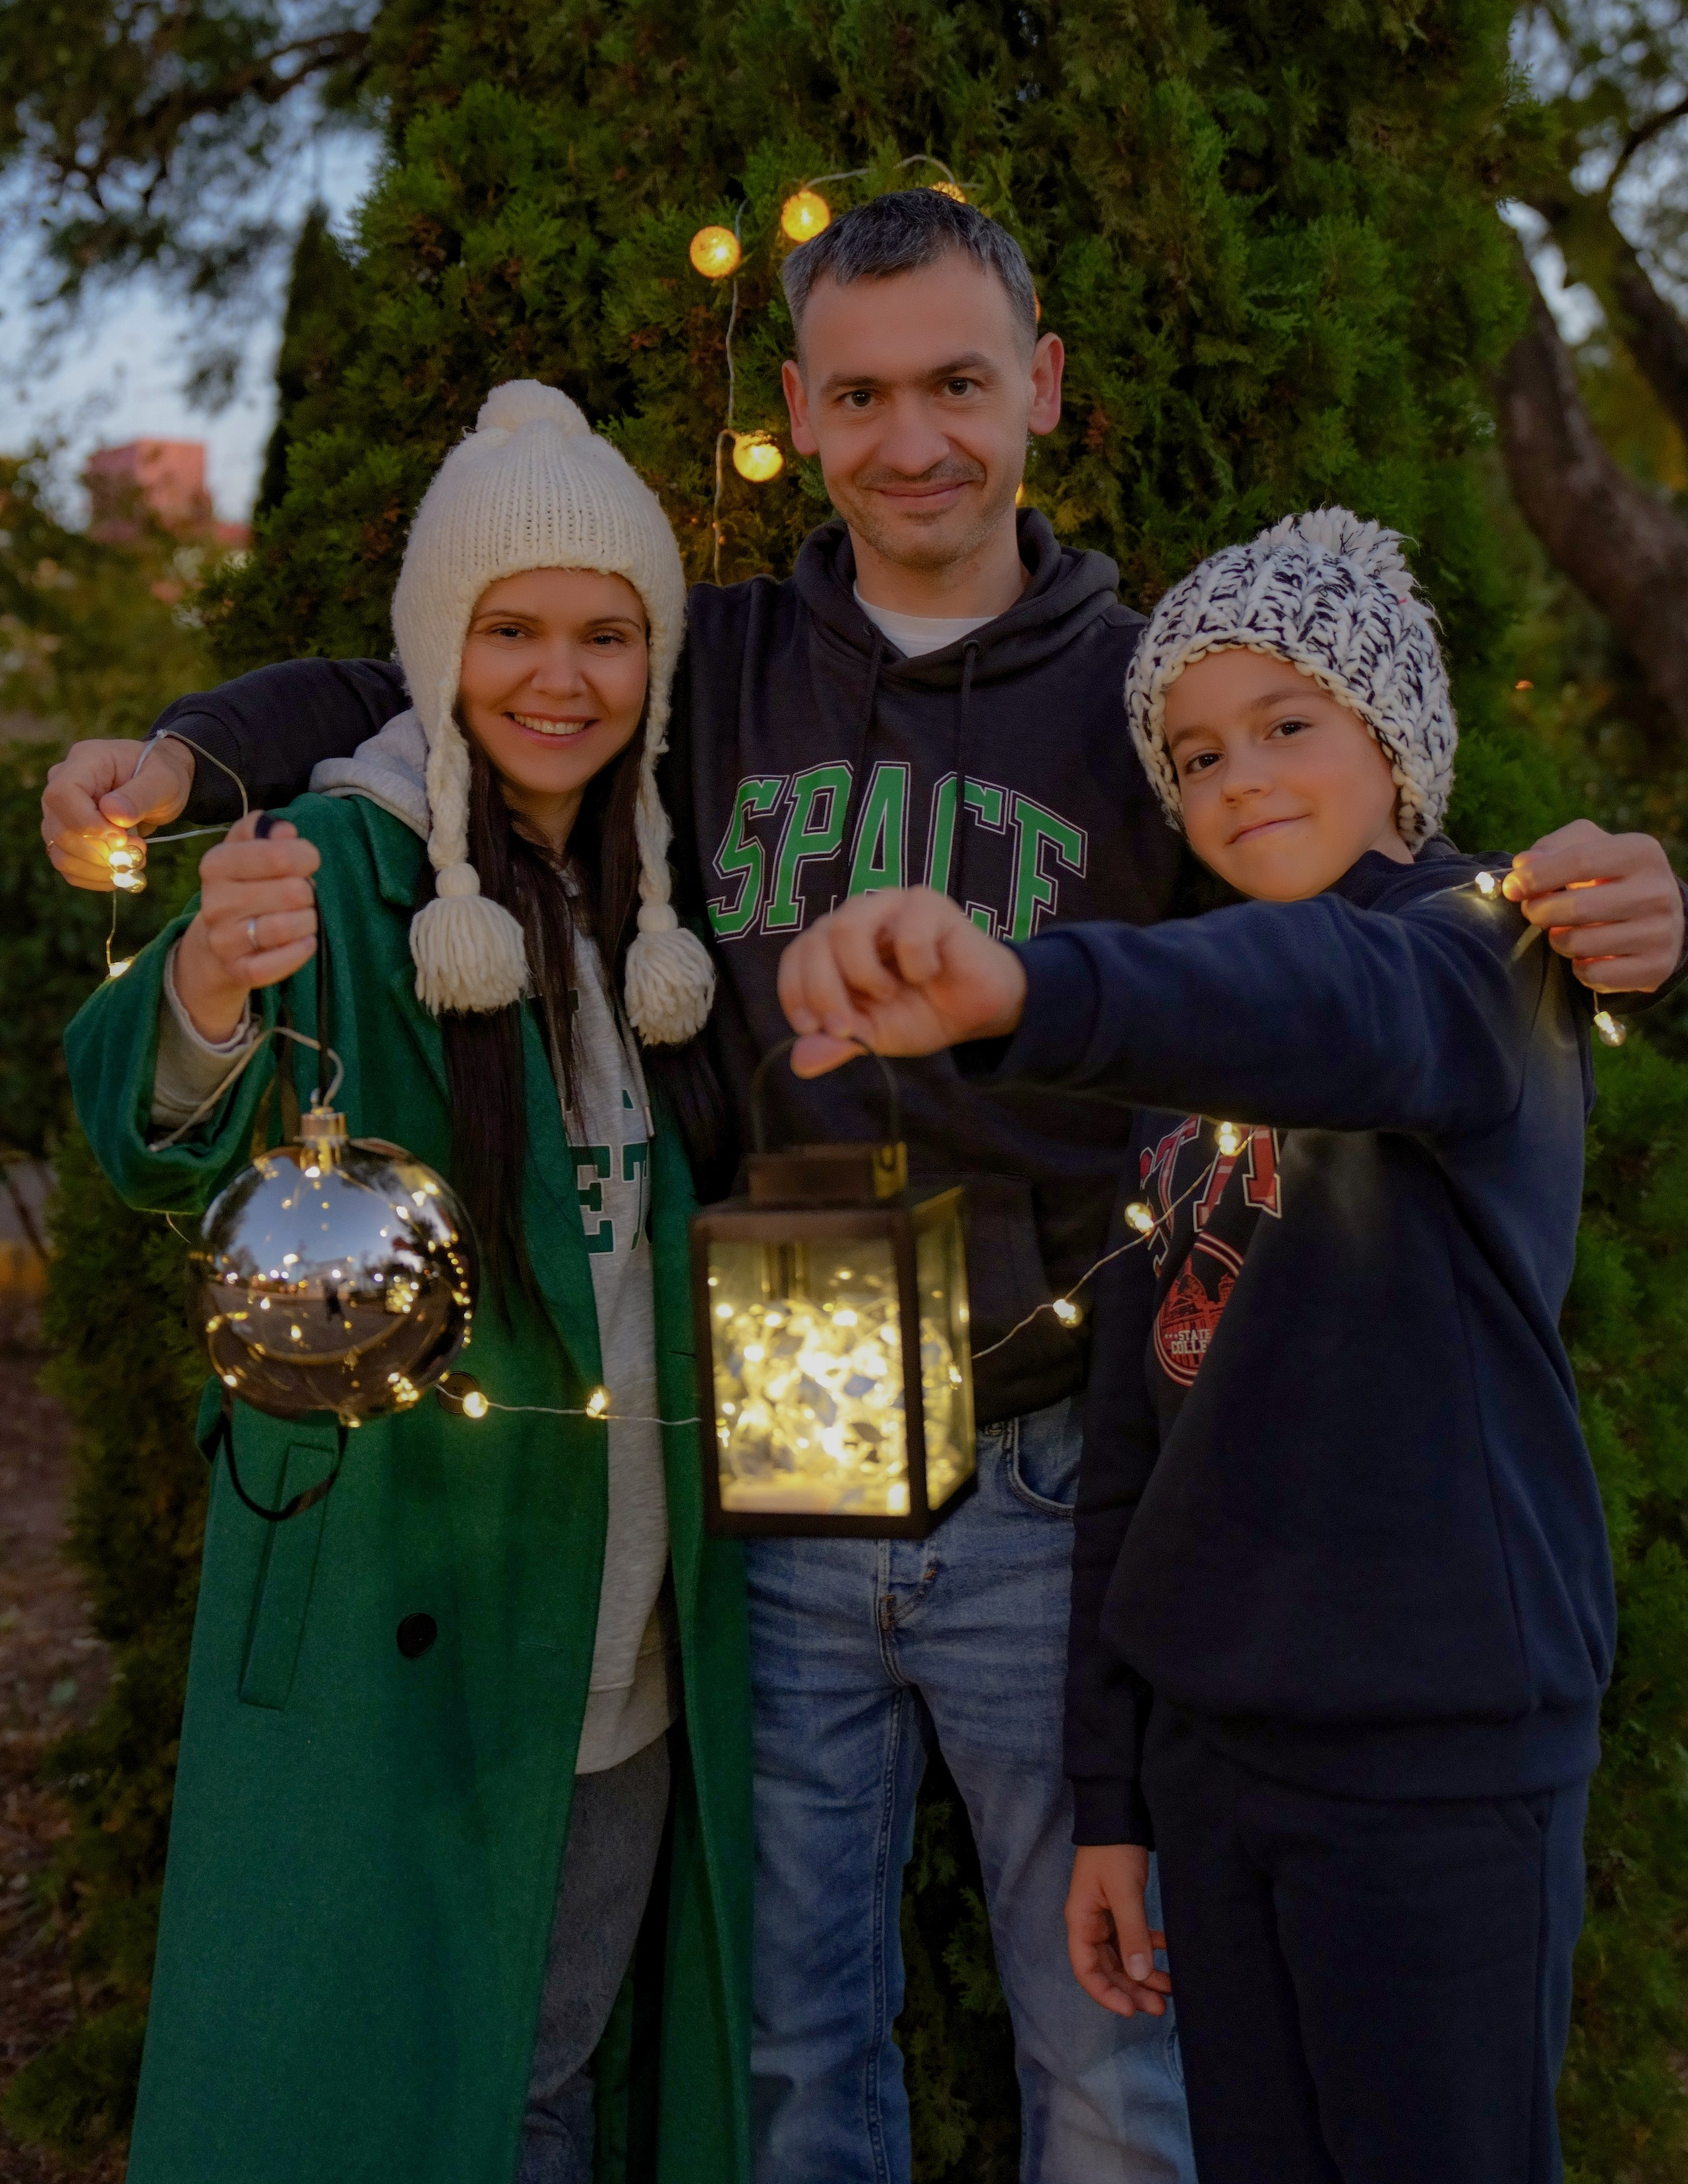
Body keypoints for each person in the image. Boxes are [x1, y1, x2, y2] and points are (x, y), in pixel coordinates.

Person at [40, 198, 1686, 2184]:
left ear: (1043, 389)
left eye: (961, 385)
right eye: (866, 393)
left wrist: (1577, 903)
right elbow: (409, 689)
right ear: (804, 415)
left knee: (1112, 2054)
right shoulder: (710, 661)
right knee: (799, 2054)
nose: (918, 439)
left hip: (1061, 1462)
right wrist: (184, 759)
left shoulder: (1151, 700)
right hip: (774, 1476)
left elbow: (1330, 899)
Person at [771, 508, 1630, 2184]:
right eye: (1193, 751)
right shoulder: (1186, 1073)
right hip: (1216, 1762)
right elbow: (1133, 1440)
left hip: (1433, 1758)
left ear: (1391, 739)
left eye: (1285, 726)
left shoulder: (1482, 957)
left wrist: (1023, 987)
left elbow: (1334, 998)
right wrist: (1113, 1796)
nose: (1235, 776)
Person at [62, 386, 750, 2184]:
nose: (560, 674)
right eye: (508, 627)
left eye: (605, 633)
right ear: (436, 645)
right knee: (385, 2089)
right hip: (411, 1616)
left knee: (549, 2077)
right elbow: (154, 1126)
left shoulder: (663, 901)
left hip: (630, 1639)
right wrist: (210, 982)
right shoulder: (353, 864)